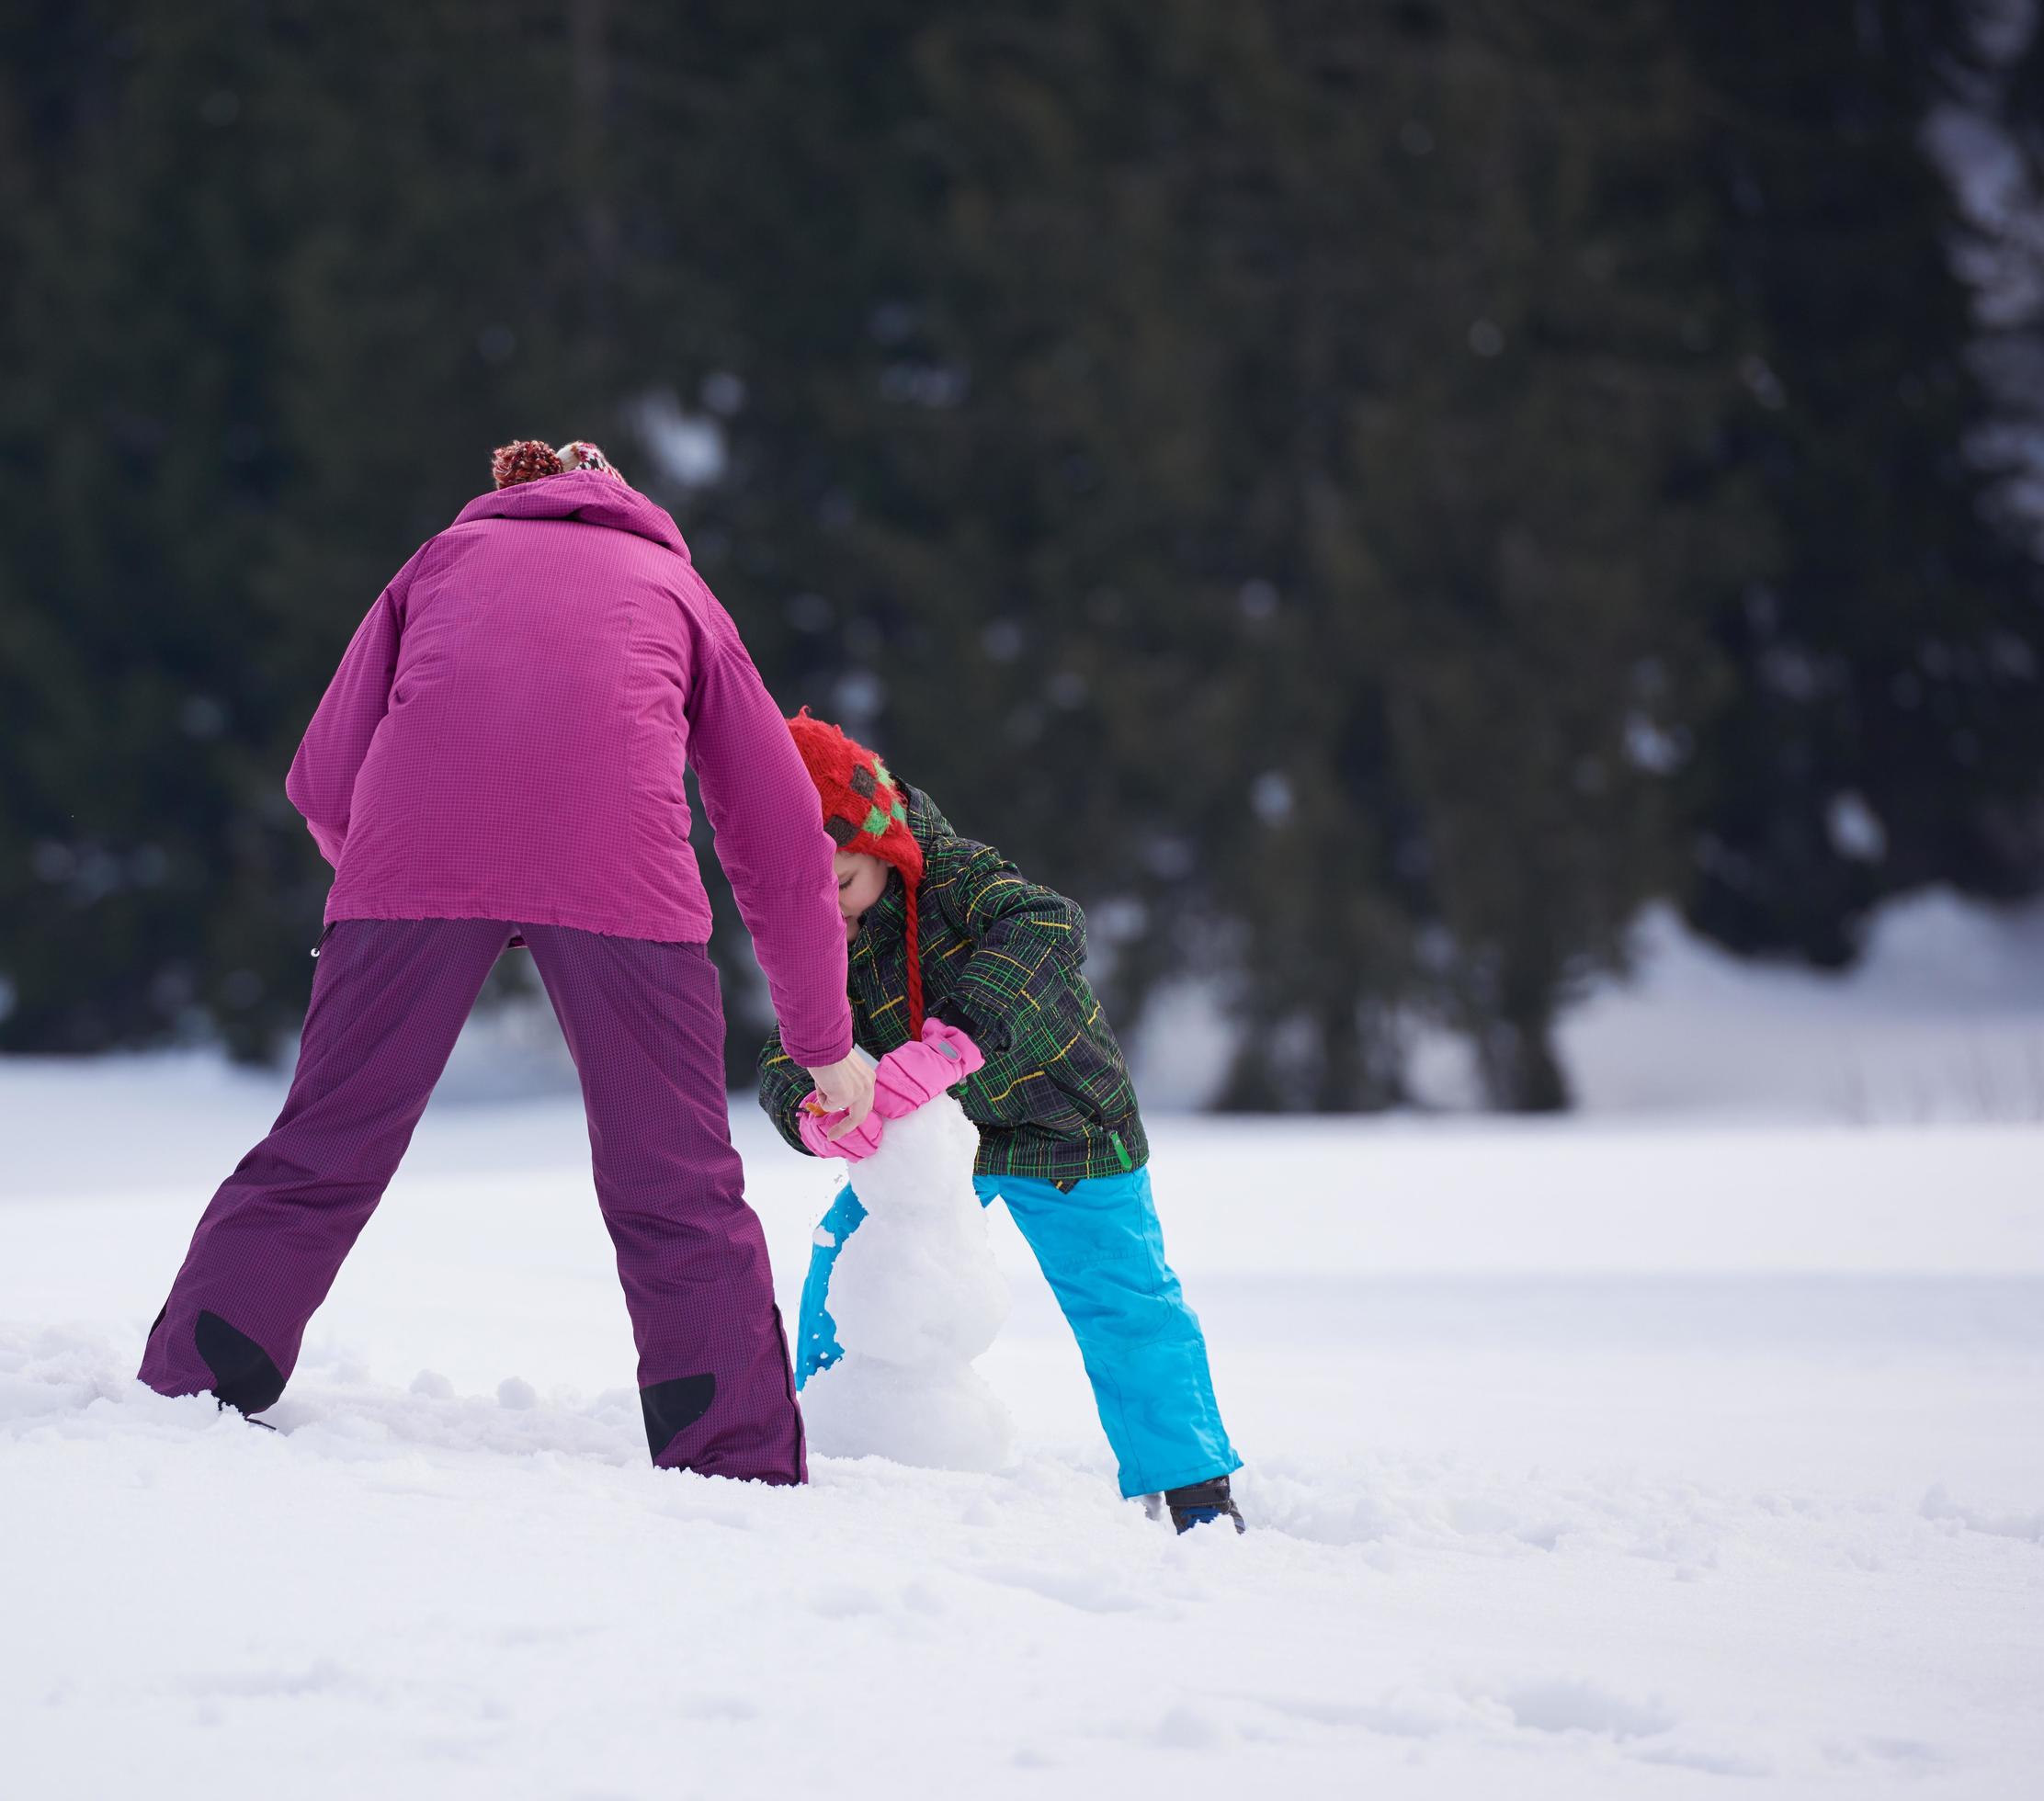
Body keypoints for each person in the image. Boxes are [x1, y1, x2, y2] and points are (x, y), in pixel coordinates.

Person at [139, 439, 873, 1485]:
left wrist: (414, 894)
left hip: (416, 860)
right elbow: (776, 827)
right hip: (622, 875)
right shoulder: (677, 585)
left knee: (327, 1139)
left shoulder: (437, 561)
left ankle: (194, 1386)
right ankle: (734, 1458)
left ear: (513, 493)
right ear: (625, 502)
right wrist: (821, 1040)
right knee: (673, 1178)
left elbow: (320, 777)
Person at [755, 710, 1245, 1530]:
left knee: (1125, 1302)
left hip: (1068, 1125)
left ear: (879, 845)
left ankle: (1195, 1489)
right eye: (807, 895)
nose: (827, 912)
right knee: (847, 1265)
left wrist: (958, 1040)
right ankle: (830, 1442)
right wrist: (812, 1112)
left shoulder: (956, 875)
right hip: (944, 1149)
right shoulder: (814, 932)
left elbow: (1048, 924)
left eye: (840, 884)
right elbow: (786, 1045)